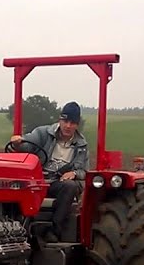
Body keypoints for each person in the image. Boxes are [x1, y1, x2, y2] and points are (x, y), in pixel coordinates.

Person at [9, 101, 88, 242]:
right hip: (37, 181)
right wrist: (18, 143)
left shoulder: (81, 145)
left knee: (70, 186)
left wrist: (74, 173)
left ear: (77, 125)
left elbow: (84, 171)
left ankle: (54, 231)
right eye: (65, 121)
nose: (68, 126)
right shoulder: (43, 133)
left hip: (57, 184)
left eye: (72, 123)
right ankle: (14, 228)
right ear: (60, 120)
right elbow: (27, 144)